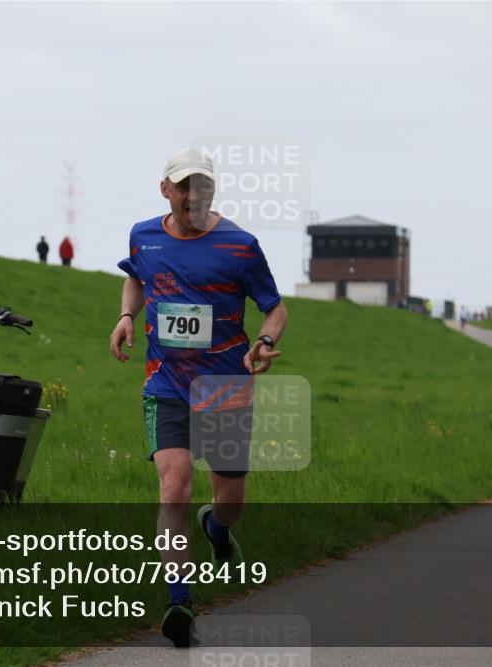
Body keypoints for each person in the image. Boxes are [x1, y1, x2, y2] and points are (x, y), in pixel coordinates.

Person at [109, 148, 287, 647]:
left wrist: (266, 341)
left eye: (203, 187)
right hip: (166, 386)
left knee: (230, 503)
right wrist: (127, 316)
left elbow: (274, 308)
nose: (194, 196)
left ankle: (216, 525)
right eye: (185, 186)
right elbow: (136, 277)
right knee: (175, 486)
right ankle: (179, 600)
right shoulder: (144, 236)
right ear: (165, 189)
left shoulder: (240, 246)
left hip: (226, 387)